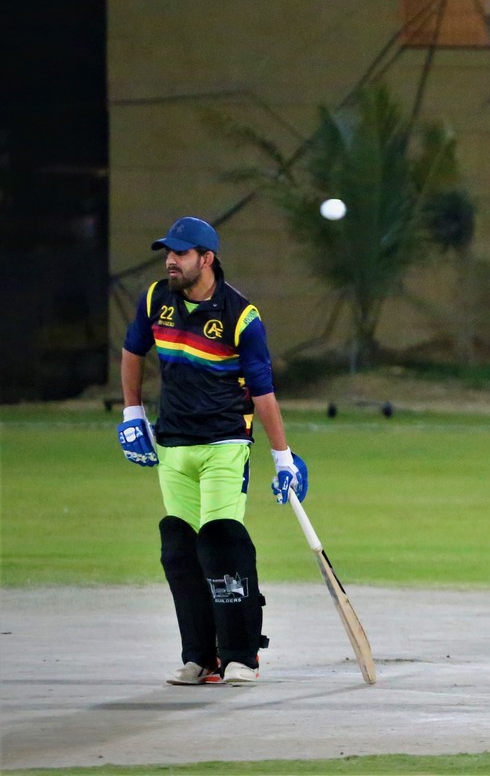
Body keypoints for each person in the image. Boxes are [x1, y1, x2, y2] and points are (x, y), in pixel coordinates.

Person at [117, 216, 308, 685]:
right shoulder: (155, 299)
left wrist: (282, 457)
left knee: (221, 543)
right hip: (172, 446)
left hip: (225, 443)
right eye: (168, 252)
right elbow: (132, 351)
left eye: (180, 254)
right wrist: (132, 414)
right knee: (180, 551)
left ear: (207, 258)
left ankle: (241, 655)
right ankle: (200, 657)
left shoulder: (241, 316)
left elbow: (263, 392)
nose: (170, 261)